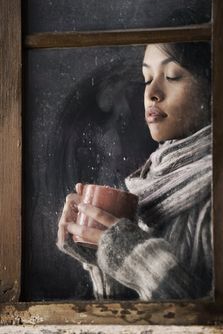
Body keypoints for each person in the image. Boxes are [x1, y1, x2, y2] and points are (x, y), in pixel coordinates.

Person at [57, 41, 212, 300]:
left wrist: (139, 260)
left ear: (212, 88)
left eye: (172, 76)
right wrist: (106, 259)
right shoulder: (150, 179)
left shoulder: (213, 197)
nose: (152, 92)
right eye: (146, 78)